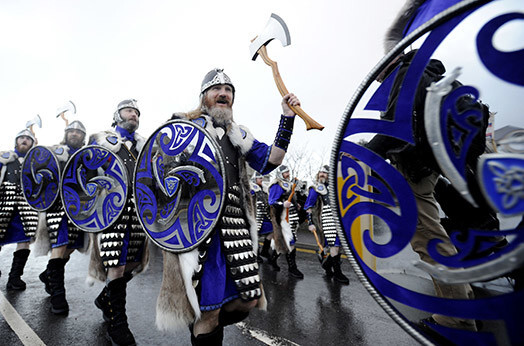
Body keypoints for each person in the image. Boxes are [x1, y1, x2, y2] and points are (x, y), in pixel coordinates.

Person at [156, 68, 300, 345]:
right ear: (203, 97)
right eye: (216, 89)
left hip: (235, 227)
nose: (223, 94)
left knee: (248, 300)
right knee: (209, 311)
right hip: (199, 229)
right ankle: (204, 330)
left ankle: (203, 329)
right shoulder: (183, 127)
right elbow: (160, 173)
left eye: (228, 90)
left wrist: (287, 118)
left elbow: (272, 159)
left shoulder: (239, 135)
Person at [88, 99, 149, 346]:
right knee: (116, 264)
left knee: (133, 262)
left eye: (136, 112)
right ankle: (118, 324)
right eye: (128, 110)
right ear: (117, 115)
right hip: (112, 208)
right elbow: (86, 170)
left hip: (137, 210)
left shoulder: (144, 145)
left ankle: (106, 299)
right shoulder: (103, 139)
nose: (133, 114)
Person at [35, 120, 88, 315]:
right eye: (71, 131)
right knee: (60, 245)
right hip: (57, 206)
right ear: (66, 134)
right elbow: (39, 173)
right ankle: (58, 295)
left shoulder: (85, 155)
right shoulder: (55, 152)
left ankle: (48, 274)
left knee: (72, 246)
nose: (75, 134)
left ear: (84, 136)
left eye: (79, 132)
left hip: (78, 207)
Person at [0, 126, 39, 291]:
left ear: (32, 142)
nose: (24, 140)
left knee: (24, 241)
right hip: (4, 203)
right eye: (21, 138)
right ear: (16, 141)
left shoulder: (35, 161)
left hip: (25, 206)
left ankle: (15, 277)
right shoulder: (5, 158)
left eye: (28, 138)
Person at [304, 165, 349, 284]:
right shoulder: (316, 188)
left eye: (325, 173)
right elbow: (309, 206)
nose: (322, 175)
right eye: (320, 173)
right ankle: (338, 273)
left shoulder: (335, 187)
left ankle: (327, 265)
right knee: (334, 245)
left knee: (339, 246)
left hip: (340, 218)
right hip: (328, 217)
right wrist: (310, 222)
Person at [268, 165, 303, 278]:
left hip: (292, 218)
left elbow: (290, 197)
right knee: (290, 241)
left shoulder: (288, 184)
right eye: (285, 172)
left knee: (283, 241)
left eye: (288, 172)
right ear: (280, 174)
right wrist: (282, 204)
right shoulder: (276, 185)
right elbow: (272, 201)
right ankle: (292, 268)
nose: (288, 174)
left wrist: (295, 203)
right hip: (283, 218)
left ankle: (272, 260)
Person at [250, 172, 274, 264]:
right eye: (259, 178)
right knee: (255, 235)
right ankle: (255, 254)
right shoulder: (252, 188)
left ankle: (265, 250)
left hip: (265, 216)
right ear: (255, 179)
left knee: (272, 231)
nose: (261, 179)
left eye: (261, 178)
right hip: (256, 216)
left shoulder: (264, 190)